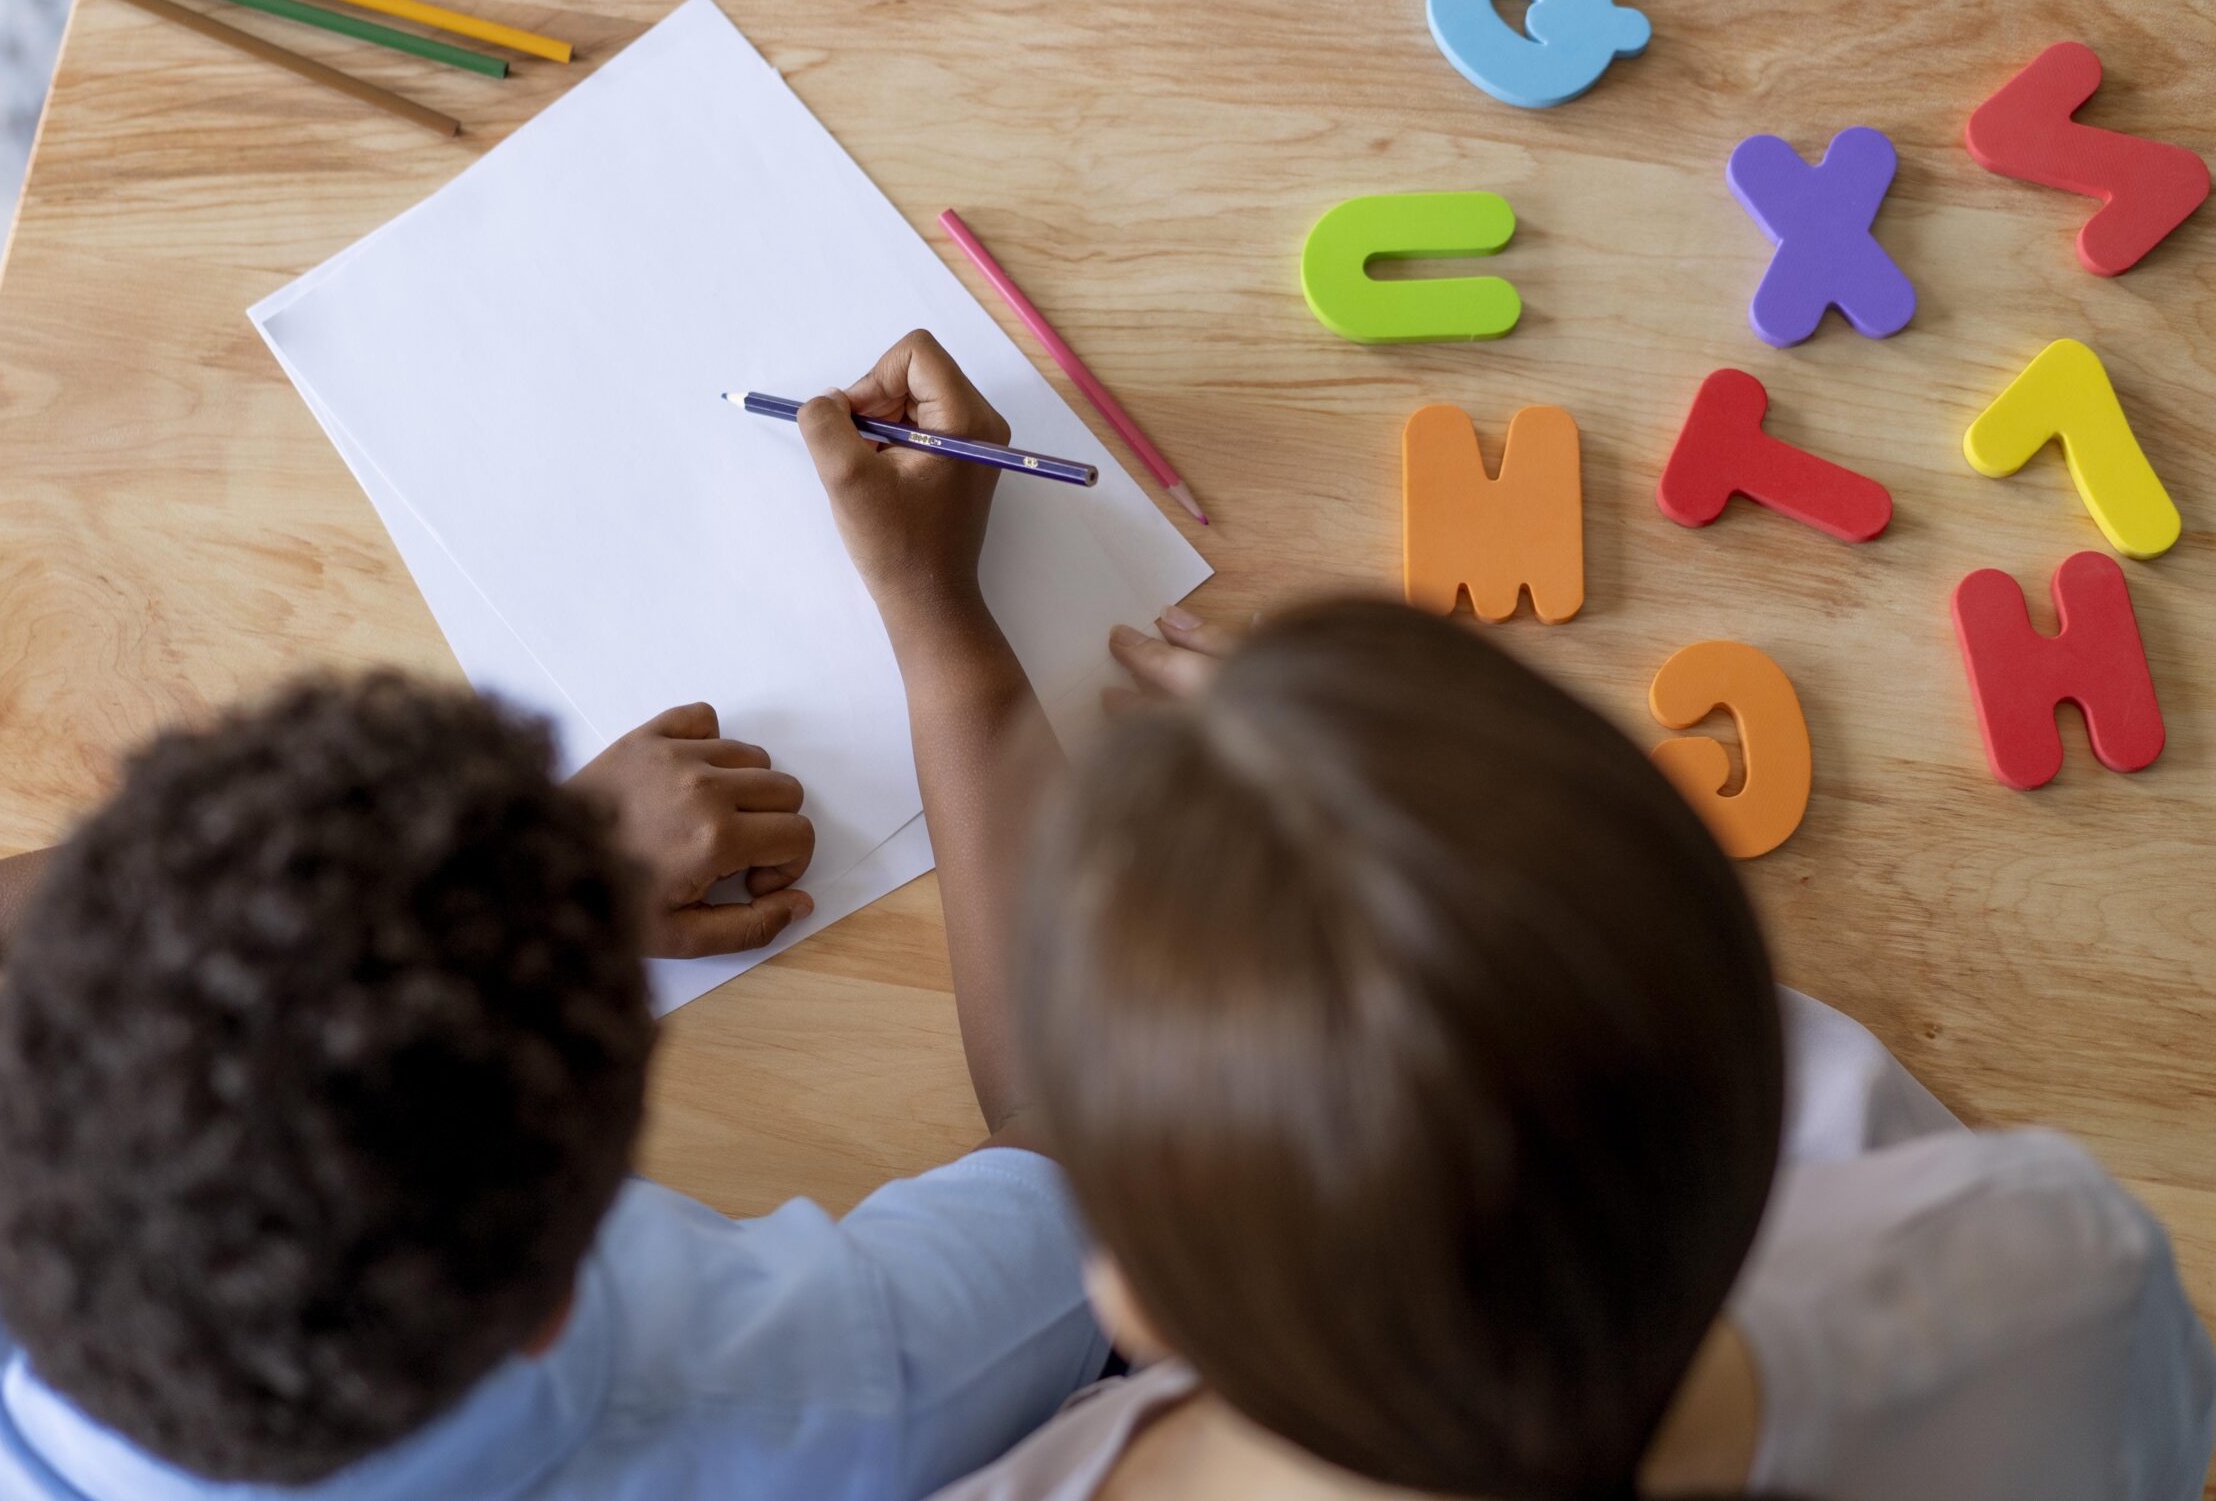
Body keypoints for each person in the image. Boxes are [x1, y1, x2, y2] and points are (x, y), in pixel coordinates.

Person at [790, 348, 2210, 1500]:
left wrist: (948, 650)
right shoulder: (2045, 1269)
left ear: (1126, 1297)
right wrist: (1390, 809)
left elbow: (1037, 1164)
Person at [0, 664, 1107, 1495]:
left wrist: (511, 895)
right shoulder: (826, 1395)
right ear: (555, 1305)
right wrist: (948, 648)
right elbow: (1104, 1163)